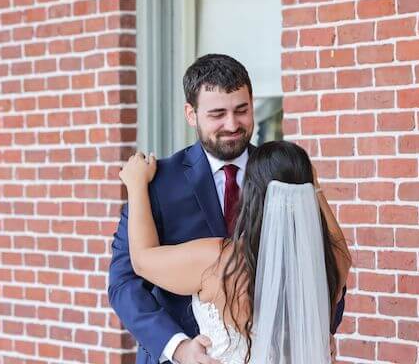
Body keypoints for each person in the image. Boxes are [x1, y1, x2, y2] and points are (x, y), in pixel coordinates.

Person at [108, 54, 349, 364]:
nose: (232, 124)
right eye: (218, 113)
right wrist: (177, 346)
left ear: (252, 103)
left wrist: (315, 333)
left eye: (242, 110)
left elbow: (319, 265)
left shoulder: (281, 174)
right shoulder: (157, 183)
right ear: (191, 114)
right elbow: (124, 282)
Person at [119, 141, 351, 363]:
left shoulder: (221, 261)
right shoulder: (334, 260)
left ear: (251, 195)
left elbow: (141, 261)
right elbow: (337, 241)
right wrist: (312, 185)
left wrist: (136, 185)